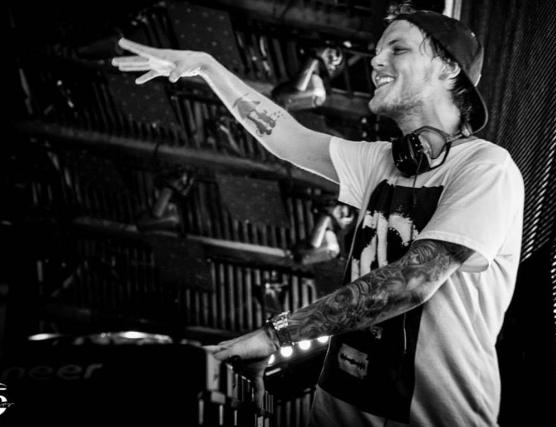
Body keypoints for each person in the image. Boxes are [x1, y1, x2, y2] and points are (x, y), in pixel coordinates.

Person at [113, 4, 524, 426]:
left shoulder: (486, 168)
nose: (376, 62)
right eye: (377, 52)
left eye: (397, 49)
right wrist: (207, 67)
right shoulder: (380, 161)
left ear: (449, 67)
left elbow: (414, 281)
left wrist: (276, 335)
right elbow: (286, 137)